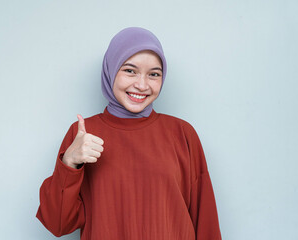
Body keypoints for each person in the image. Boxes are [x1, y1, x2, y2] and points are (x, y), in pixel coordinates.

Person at [36, 27, 222, 240]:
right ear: (111, 70)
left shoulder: (182, 134)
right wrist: (69, 163)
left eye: (154, 74)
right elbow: (57, 223)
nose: (141, 85)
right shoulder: (83, 135)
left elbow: (205, 221)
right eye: (130, 71)